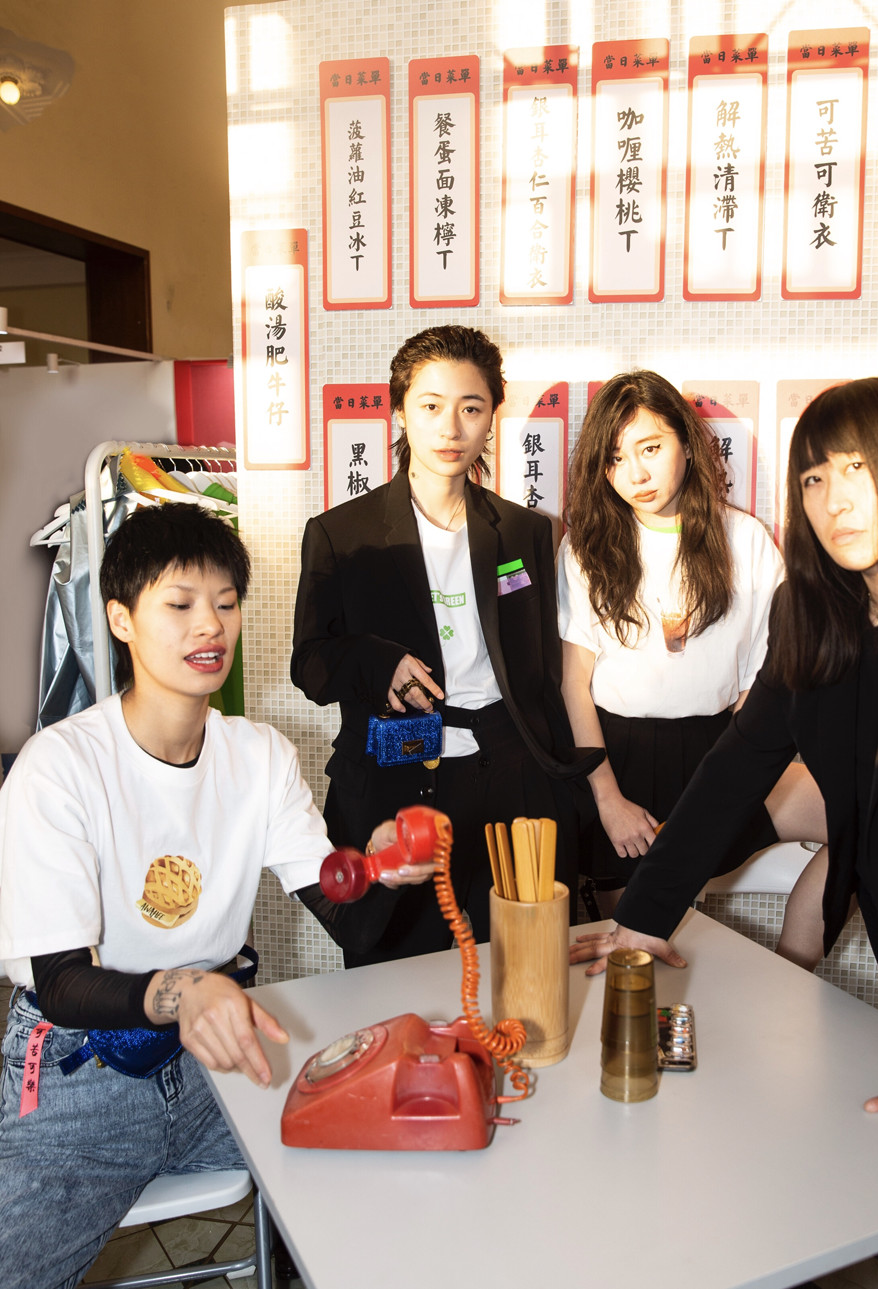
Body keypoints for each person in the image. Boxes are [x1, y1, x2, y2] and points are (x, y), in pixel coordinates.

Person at [571, 376, 878, 1289]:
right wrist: (642, 915)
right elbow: (737, 766)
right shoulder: (814, 613)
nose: (833, 500)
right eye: (812, 478)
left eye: (856, 470)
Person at [0, 503, 426, 1289]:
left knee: (385, 1173)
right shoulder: (57, 769)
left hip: (221, 1069)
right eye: (180, 603)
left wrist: (381, 869)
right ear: (122, 619)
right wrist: (186, 988)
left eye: (226, 603)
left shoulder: (258, 755)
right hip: (81, 1079)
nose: (211, 626)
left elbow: (350, 920)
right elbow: (58, 981)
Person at [292, 325, 600, 966]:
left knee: (523, 969)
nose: (451, 428)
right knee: (397, 973)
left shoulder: (525, 531)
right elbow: (310, 665)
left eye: (471, 408)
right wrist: (377, 660)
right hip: (398, 781)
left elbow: (546, 671)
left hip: (513, 782)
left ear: (491, 418)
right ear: (400, 411)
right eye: (431, 406)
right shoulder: (342, 535)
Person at [558, 370, 829, 963]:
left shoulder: (745, 539)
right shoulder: (587, 548)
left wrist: (740, 766)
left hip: (726, 751)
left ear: (686, 441)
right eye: (615, 458)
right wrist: (608, 800)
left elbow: (765, 679)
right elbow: (573, 685)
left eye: (650, 448)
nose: (635, 473)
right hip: (622, 765)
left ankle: (793, 973)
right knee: (634, 960)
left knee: (863, 819)